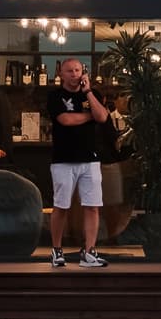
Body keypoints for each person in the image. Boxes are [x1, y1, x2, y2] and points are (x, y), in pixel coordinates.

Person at [44, 58, 109, 269]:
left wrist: (88, 92)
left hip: (90, 159)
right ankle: (56, 250)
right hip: (63, 159)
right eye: (69, 71)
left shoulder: (92, 94)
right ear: (61, 74)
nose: (74, 74)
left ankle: (89, 252)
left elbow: (102, 116)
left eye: (77, 70)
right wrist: (89, 116)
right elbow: (65, 120)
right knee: (61, 206)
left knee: (92, 206)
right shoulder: (55, 96)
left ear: (83, 72)